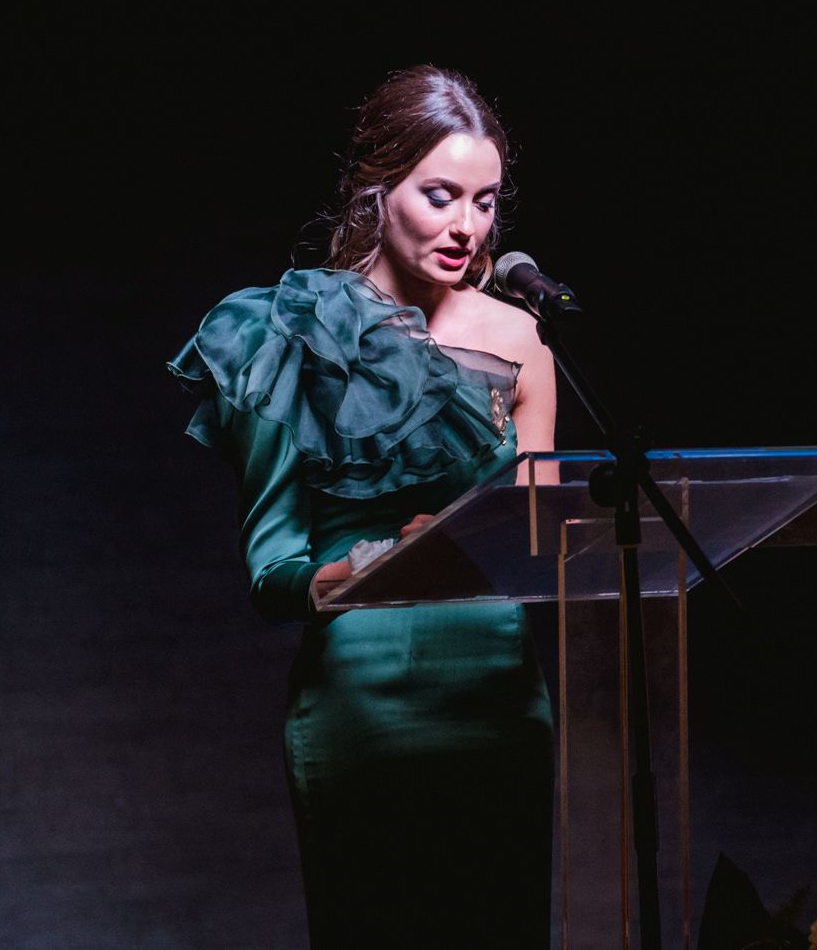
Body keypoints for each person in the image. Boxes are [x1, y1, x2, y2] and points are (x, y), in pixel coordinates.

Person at [168, 65, 556, 947]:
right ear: (376, 192)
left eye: (486, 201)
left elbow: (540, 536)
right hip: (363, 705)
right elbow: (271, 569)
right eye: (441, 195)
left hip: (498, 697)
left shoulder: (523, 339)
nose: (467, 225)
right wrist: (363, 567)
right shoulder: (288, 334)